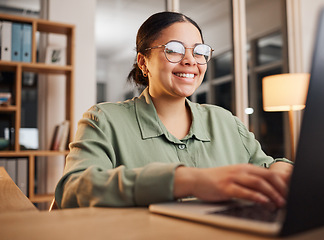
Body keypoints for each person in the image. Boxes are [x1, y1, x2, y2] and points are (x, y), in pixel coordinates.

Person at [55, 11, 293, 209]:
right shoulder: (103, 120)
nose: (191, 60)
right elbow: (73, 190)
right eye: (174, 49)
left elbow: (269, 166)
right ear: (143, 62)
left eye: (199, 52)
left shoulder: (225, 121)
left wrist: (281, 170)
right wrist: (187, 180)